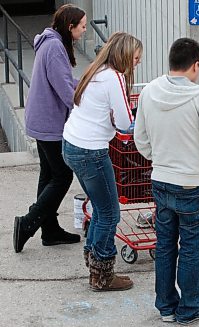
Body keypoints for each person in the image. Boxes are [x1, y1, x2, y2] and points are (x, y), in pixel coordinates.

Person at [134, 38, 199, 324]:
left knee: (164, 246)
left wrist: (159, 160)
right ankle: (189, 310)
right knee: (189, 248)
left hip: (161, 180)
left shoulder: (149, 91)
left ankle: (166, 307)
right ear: (196, 65)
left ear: (171, 61)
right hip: (193, 184)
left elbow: (141, 139)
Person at [62, 32, 143, 291]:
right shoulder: (115, 77)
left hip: (71, 145)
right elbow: (123, 123)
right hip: (91, 151)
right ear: (125, 56)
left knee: (99, 207)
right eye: (136, 58)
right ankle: (103, 273)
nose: (138, 63)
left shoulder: (95, 71)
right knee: (110, 212)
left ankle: (93, 258)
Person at [14, 4, 86, 253]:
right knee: (63, 175)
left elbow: (65, 80)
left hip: (42, 119)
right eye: (83, 26)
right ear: (70, 26)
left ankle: (50, 230)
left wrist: (86, 83)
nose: (85, 30)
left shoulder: (51, 42)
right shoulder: (55, 46)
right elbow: (65, 90)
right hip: (49, 122)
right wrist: (86, 106)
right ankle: (28, 223)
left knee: (48, 175)